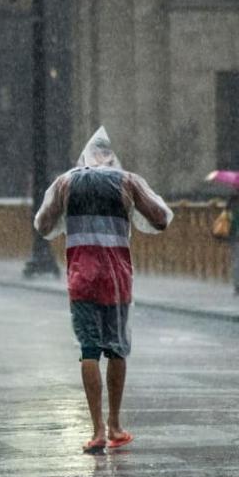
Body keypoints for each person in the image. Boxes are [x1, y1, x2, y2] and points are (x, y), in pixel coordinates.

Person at [34, 127, 173, 454]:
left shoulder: (66, 182)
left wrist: (69, 213)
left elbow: (43, 225)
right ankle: (114, 424)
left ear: (84, 156)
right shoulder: (127, 181)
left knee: (89, 350)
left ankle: (96, 430)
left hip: (82, 277)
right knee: (117, 349)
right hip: (116, 279)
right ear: (111, 156)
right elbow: (161, 219)